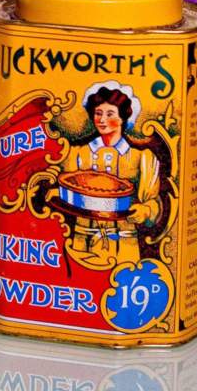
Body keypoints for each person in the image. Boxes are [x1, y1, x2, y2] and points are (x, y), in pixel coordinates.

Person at [56, 84, 162, 266]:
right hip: (83, 244)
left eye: (109, 114)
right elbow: (67, 190)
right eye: (98, 113)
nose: (102, 119)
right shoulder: (78, 154)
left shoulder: (141, 158)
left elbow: (154, 203)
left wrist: (145, 211)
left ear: (122, 118)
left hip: (124, 245)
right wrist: (58, 194)